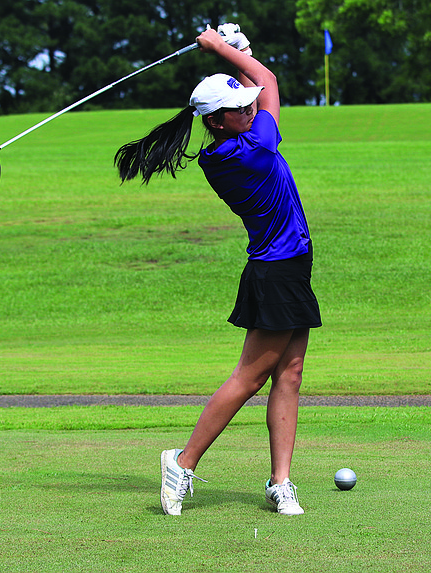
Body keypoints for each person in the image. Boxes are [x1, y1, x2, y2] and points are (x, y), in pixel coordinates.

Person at [114, 24, 321, 516]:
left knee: (288, 375)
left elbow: (256, 85)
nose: (252, 109)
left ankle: (280, 482)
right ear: (218, 122)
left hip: (289, 266)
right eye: (241, 108)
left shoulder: (232, 139)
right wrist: (222, 48)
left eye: (250, 105)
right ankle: (181, 462)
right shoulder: (249, 150)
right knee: (250, 378)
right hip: (275, 271)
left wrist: (236, 55)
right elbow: (267, 80)